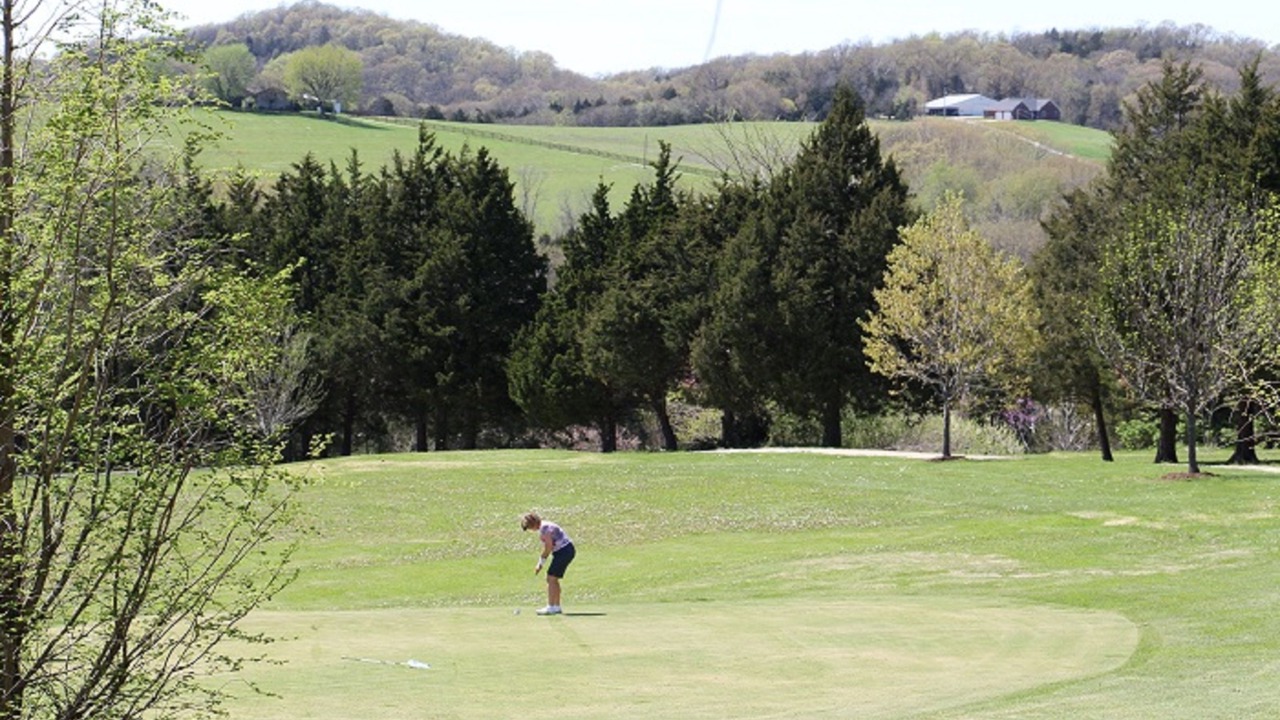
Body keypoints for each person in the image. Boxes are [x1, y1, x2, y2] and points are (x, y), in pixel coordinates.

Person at [520, 512, 576, 615]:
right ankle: (556, 606)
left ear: (533, 524)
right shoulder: (543, 526)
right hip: (564, 551)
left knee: (551, 578)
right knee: (552, 578)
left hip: (564, 551)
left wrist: (540, 563)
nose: (530, 529)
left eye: (529, 527)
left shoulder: (545, 528)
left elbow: (548, 547)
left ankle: (551, 607)